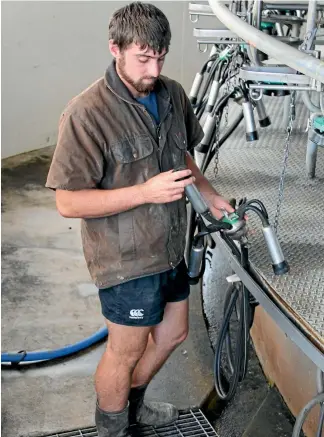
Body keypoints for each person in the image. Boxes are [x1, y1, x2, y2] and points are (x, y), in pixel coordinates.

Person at [46, 2, 234, 436]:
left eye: (161, 58)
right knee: (124, 352)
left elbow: (182, 153)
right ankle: (111, 427)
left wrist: (207, 192)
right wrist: (145, 193)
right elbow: (69, 203)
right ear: (115, 48)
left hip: (170, 247)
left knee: (173, 335)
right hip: (125, 259)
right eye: (143, 58)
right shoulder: (86, 113)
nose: (154, 69)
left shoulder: (172, 94)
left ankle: (134, 404)